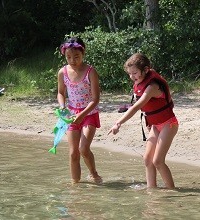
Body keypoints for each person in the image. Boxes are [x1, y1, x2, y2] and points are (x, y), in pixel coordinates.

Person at [108, 53, 178, 189]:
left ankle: (171, 191)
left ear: (146, 70)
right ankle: (151, 190)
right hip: (156, 126)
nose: (132, 77)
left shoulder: (152, 87)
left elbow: (136, 107)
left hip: (169, 124)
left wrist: (118, 123)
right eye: (129, 73)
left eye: (134, 73)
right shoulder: (140, 84)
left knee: (158, 161)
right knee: (147, 159)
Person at [57, 37, 103, 184]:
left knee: (83, 148)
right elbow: (60, 93)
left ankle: (94, 173)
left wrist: (82, 115)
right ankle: (75, 185)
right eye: (68, 57)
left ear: (83, 53)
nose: (72, 60)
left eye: (76, 57)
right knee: (73, 153)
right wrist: (62, 106)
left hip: (89, 113)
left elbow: (95, 99)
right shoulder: (62, 72)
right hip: (71, 115)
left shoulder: (91, 72)